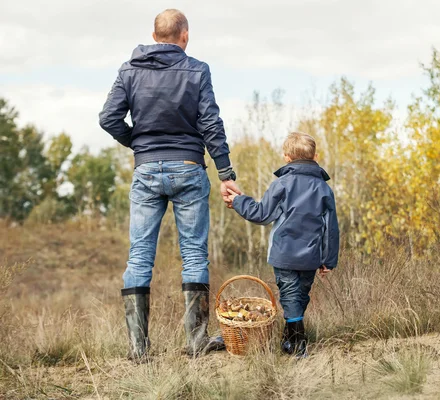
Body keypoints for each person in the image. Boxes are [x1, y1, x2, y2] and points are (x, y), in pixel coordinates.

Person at [98, 9, 240, 360]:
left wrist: (139, 144)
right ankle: (196, 341)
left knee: (139, 256)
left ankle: (138, 349)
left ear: (154, 33)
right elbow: (210, 123)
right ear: (184, 36)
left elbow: (108, 118)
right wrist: (225, 173)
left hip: (146, 171)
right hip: (189, 168)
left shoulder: (129, 69)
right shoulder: (196, 70)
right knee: (193, 255)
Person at [226, 132, 339, 357]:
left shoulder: (282, 184)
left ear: (287, 158)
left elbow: (261, 214)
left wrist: (238, 201)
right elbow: (331, 228)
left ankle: (297, 345)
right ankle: (291, 341)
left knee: (293, 297)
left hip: (284, 254)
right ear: (315, 156)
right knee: (297, 297)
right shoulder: (324, 189)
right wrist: (328, 259)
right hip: (310, 257)